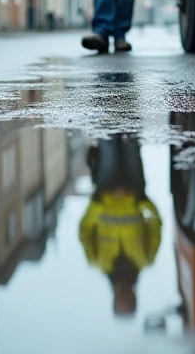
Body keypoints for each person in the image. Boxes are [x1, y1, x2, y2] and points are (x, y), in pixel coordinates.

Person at [78, 134, 162, 318]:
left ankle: (105, 114)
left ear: (114, 299)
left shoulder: (97, 261)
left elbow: (85, 230)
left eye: (120, 301)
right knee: (130, 143)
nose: (124, 296)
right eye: (128, 301)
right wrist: (141, 201)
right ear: (134, 297)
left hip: (106, 189)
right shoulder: (146, 260)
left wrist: (100, 203)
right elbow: (156, 225)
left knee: (108, 143)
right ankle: (129, 114)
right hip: (134, 189)